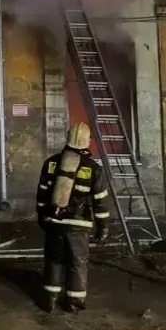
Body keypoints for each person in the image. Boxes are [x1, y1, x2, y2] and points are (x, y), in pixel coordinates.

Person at [35, 121, 111, 313]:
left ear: (67, 138)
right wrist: (103, 227)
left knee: (54, 260)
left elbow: (42, 194)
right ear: (87, 141)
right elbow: (100, 202)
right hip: (78, 226)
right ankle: (74, 303)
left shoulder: (51, 163)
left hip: (54, 223)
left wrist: (43, 218)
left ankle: (49, 301)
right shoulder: (93, 169)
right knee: (77, 263)